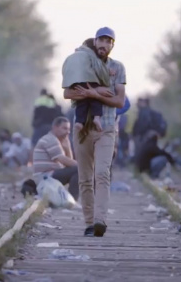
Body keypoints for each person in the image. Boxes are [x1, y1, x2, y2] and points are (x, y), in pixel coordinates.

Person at [63, 26, 126, 238]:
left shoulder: (118, 68)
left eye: (109, 42)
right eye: (102, 40)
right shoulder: (82, 62)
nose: (104, 45)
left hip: (106, 128)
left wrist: (94, 94)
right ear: (95, 42)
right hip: (83, 130)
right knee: (85, 178)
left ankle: (101, 220)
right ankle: (89, 223)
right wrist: (96, 91)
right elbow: (67, 92)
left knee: (102, 174)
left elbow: (119, 101)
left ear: (112, 46)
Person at [62, 37, 112, 134]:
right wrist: (105, 80)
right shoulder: (91, 55)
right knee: (95, 99)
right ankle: (97, 117)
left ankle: (79, 122)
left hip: (74, 83)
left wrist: (70, 83)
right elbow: (99, 70)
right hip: (89, 80)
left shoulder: (71, 56)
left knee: (81, 102)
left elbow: (65, 71)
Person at [31, 116, 79, 199]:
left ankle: (69, 199)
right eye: (64, 128)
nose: (68, 132)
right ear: (55, 127)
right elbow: (63, 160)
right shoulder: (50, 139)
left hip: (49, 177)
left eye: (68, 129)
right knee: (79, 169)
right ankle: (72, 199)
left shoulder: (56, 140)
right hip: (45, 178)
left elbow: (68, 164)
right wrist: (84, 166)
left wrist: (67, 147)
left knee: (77, 169)